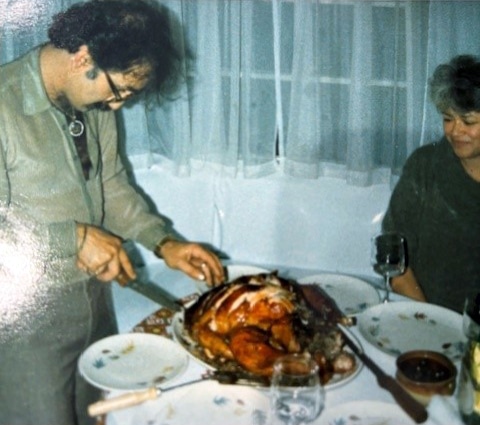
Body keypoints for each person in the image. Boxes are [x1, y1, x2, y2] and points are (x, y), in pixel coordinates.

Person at [0, 1, 225, 424]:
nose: (118, 106)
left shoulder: (90, 102)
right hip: (25, 322)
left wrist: (163, 242)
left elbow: (111, 184)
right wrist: (74, 239)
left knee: (96, 416)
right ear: (83, 57)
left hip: (95, 301)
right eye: (118, 90)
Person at [382, 54, 480, 313]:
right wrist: (429, 320)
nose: (455, 131)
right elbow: (395, 261)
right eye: (448, 118)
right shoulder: (424, 166)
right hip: (421, 313)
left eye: (468, 121)